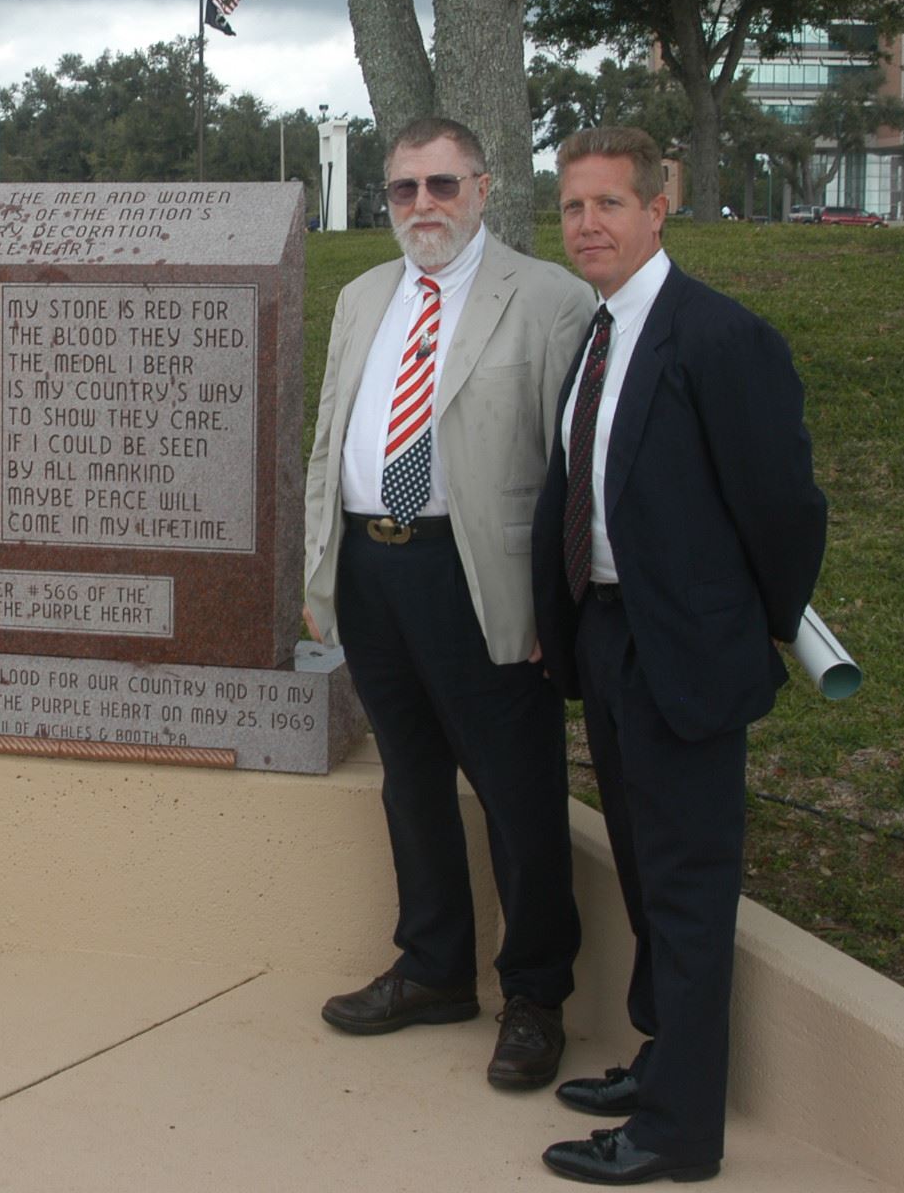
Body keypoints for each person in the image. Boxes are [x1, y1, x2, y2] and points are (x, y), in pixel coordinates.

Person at [531, 127, 828, 1184]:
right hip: (608, 640)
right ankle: (659, 1062)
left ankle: (674, 1131)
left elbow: (783, 511)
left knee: (690, 893)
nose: (587, 225)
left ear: (659, 209)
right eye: (571, 207)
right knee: (651, 883)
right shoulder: (598, 331)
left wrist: (741, 626)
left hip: (685, 657)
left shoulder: (718, 338)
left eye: (608, 204)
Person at [302, 115, 594, 1090]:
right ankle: (432, 969)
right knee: (410, 779)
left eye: (439, 186)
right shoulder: (360, 297)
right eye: (402, 190)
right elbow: (329, 437)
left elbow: (574, 473)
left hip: (478, 577)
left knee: (516, 793)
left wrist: (560, 610)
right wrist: (319, 572)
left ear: (481, 188)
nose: (420, 207)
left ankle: (534, 996)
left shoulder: (548, 301)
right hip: (372, 572)